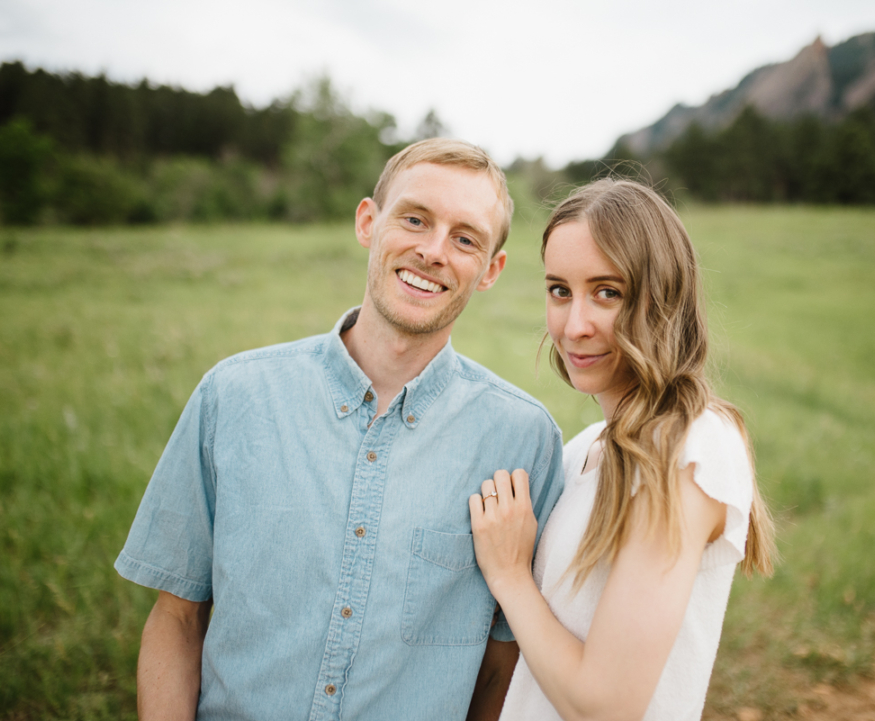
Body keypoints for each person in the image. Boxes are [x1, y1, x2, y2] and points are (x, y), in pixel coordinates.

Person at [115, 138, 565, 721]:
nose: (433, 251)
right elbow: (177, 618)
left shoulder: (521, 442)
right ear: (367, 222)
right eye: (414, 219)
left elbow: (504, 665)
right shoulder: (234, 397)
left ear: (490, 271)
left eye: (465, 238)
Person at [469, 179, 776, 721]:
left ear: (663, 296)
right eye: (560, 290)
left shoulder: (691, 447)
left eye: (607, 292)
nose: (575, 325)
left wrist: (510, 577)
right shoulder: (582, 450)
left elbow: (605, 705)